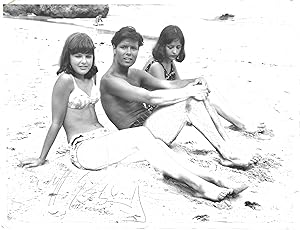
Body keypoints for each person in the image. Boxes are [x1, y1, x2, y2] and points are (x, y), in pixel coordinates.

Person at [20, 32, 248, 202]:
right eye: (77, 56)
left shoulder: (91, 78)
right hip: (83, 150)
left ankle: (215, 179)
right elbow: (56, 123)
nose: (83, 61)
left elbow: (161, 87)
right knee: (142, 136)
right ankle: (201, 187)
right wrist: (41, 158)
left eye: (87, 56)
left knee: (158, 149)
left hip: (102, 141)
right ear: (67, 57)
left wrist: (192, 83)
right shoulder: (65, 80)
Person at [100, 26, 259, 170]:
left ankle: (229, 149)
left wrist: (196, 81)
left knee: (198, 93)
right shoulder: (109, 81)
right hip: (139, 136)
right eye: (123, 47)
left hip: (153, 126)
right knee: (190, 100)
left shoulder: (134, 73)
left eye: (133, 48)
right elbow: (150, 97)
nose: (129, 52)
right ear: (114, 48)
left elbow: (168, 84)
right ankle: (229, 154)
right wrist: (189, 92)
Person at [143, 25, 265, 133]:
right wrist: (193, 87)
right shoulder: (156, 66)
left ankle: (238, 120)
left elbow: (178, 83)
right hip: (153, 114)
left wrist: (196, 85)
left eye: (178, 47)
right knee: (203, 94)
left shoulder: (169, 61)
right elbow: (167, 92)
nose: (175, 51)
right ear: (162, 45)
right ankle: (241, 124)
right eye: (170, 47)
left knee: (207, 90)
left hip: (165, 104)